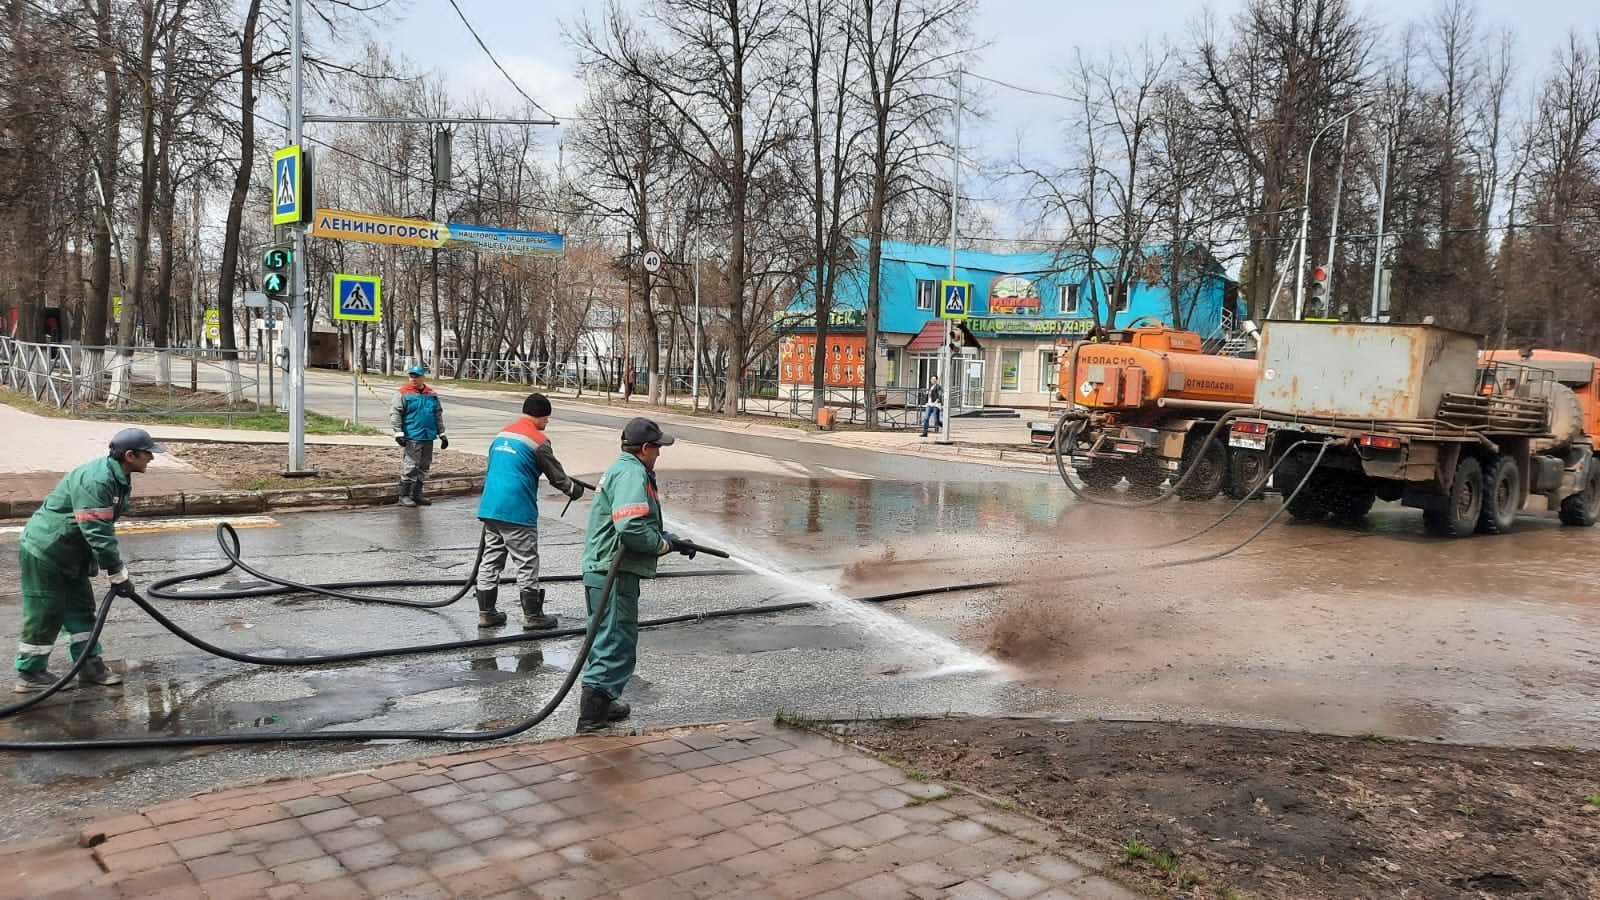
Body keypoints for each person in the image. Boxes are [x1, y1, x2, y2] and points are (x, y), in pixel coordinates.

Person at [13, 428, 161, 692]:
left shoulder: (119, 476)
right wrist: (116, 572)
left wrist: (93, 561)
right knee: (46, 611)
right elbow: (97, 530)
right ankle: (30, 673)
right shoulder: (97, 480)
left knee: (81, 609)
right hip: (46, 550)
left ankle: (88, 665)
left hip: (70, 553)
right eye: (148, 454)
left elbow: (98, 525)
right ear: (130, 455)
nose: (151, 458)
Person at [575, 417, 697, 732]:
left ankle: (605, 700)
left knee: (606, 638)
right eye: (657, 448)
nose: (659, 454)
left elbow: (638, 520)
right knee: (615, 640)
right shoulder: (632, 472)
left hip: (605, 570)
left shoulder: (625, 468)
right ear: (644, 448)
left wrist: (673, 540)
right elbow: (630, 527)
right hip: (612, 572)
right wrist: (659, 545)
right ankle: (592, 718)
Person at [473, 393, 586, 630]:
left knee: (491, 559)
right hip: (517, 509)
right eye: (546, 418)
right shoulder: (538, 440)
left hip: (490, 506)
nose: (547, 423)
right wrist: (574, 490)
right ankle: (533, 617)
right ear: (540, 415)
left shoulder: (502, 434)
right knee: (526, 561)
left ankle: (486, 613)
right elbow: (556, 476)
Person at [390, 364, 448, 508]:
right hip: (412, 435)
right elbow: (396, 413)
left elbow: (437, 414)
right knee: (411, 466)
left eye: (417, 376)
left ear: (423, 377)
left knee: (424, 466)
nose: (414, 379)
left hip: (428, 435)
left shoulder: (431, 394)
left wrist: (442, 433)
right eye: (411, 376)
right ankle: (403, 496)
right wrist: (398, 433)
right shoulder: (403, 393)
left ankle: (417, 494)